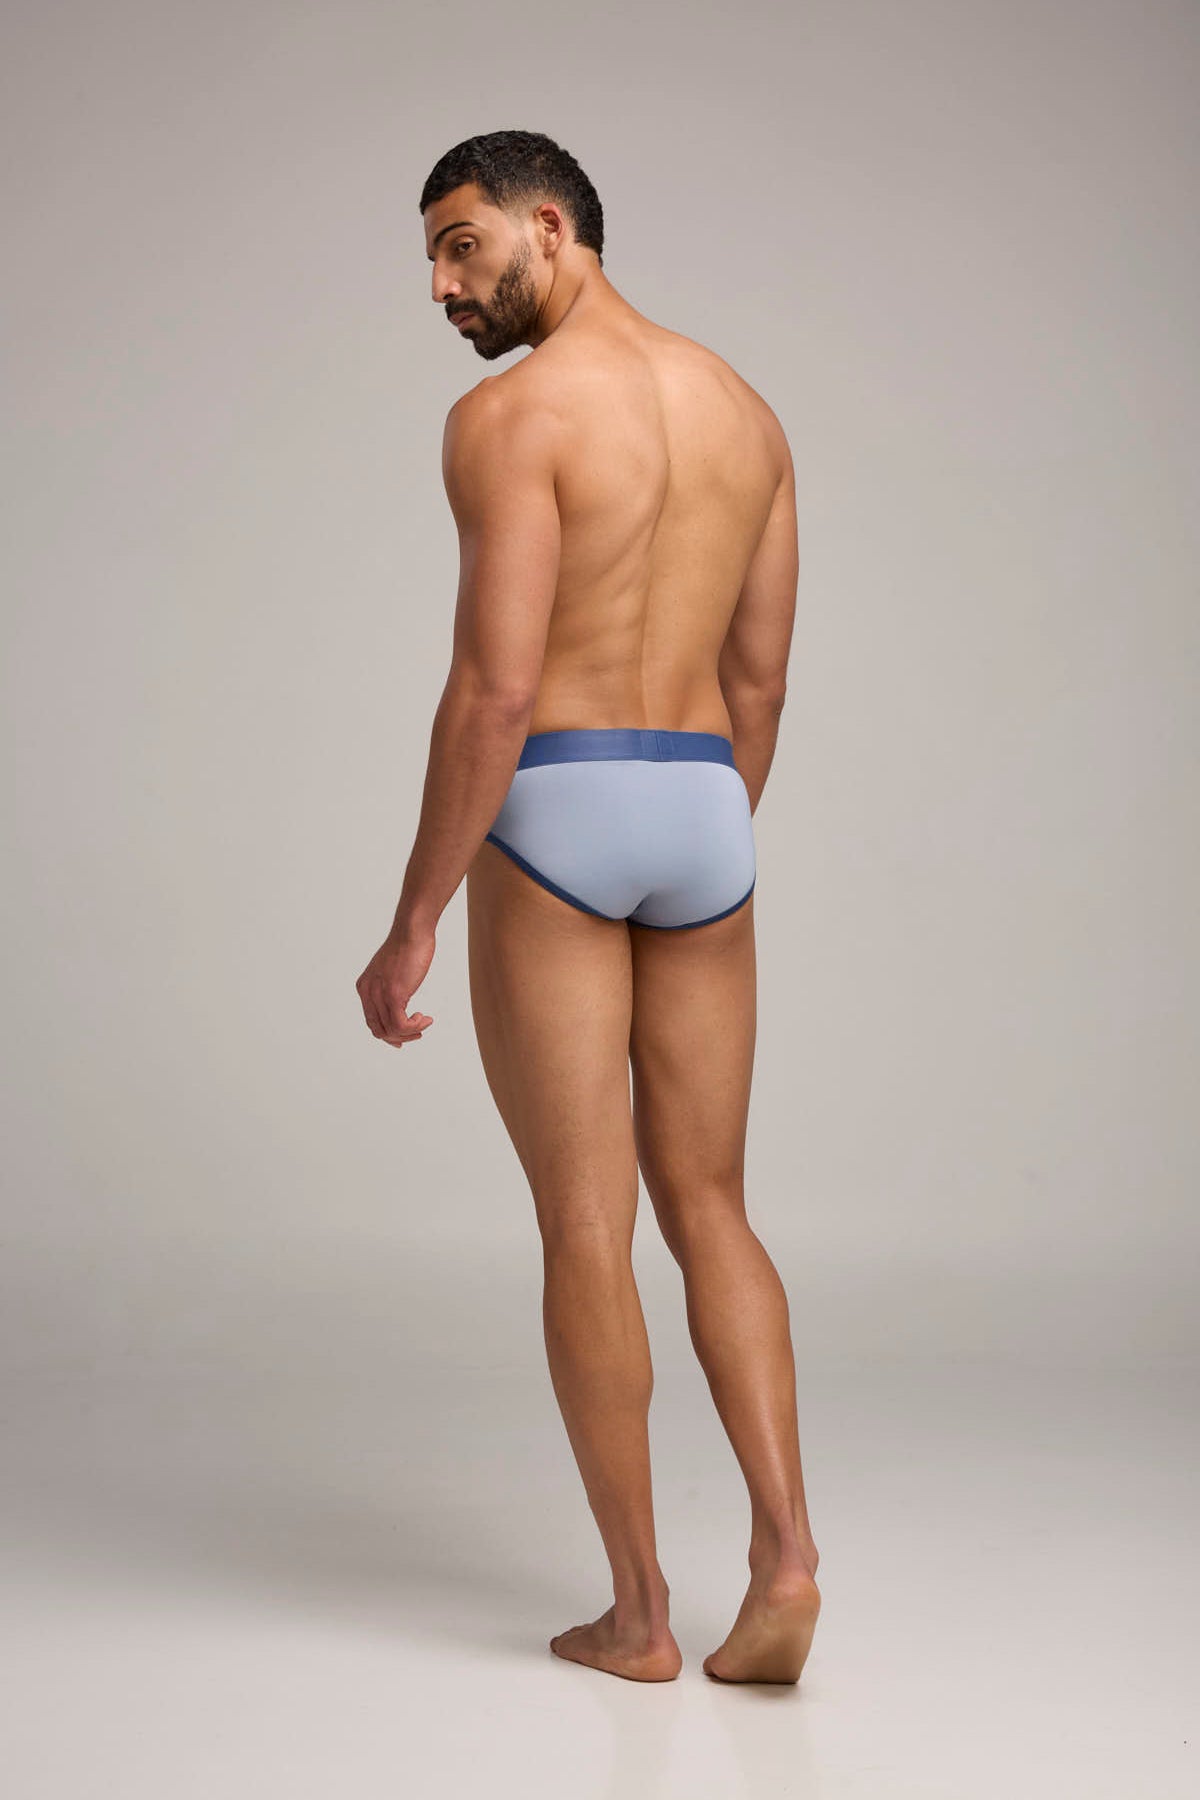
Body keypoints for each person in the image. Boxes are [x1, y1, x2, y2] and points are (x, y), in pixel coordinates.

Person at [355, 130, 820, 1685]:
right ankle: (789, 1556)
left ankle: (638, 1617)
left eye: (462, 244)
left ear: (550, 226)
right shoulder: (746, 412)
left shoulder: (511, 418)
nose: (443, 285)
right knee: (715, 1206)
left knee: (584, 1220)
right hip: (704, 805)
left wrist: (416, 915)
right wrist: (701, 832)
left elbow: (494, 692)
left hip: (556, 799)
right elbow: (760, 681)